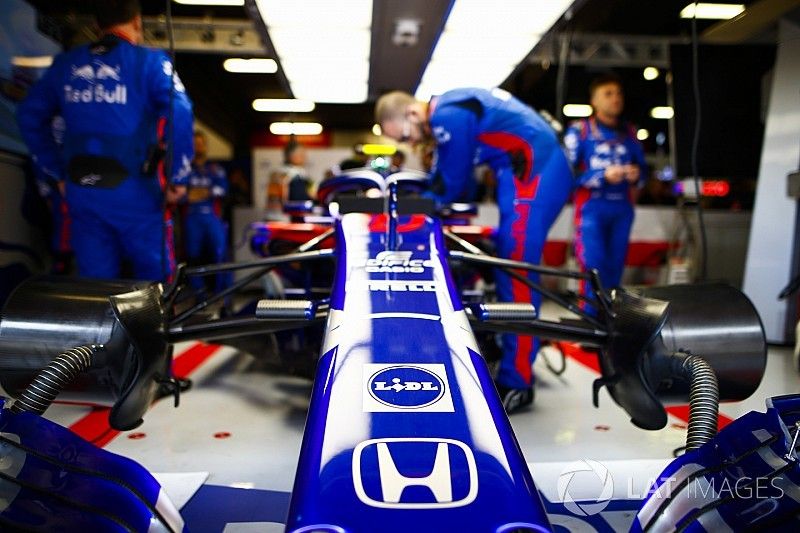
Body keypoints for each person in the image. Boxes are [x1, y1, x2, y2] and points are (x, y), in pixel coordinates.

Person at [375, 88, 573, 414]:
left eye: (407, 136)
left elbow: (451, 182)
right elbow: (444, 177)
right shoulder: (451, 110)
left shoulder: (446, 115)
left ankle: (518, 382)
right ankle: (512, 359)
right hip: (524, 169)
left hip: (536, 168)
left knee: (515, 267)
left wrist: (418, 204)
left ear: (412, 114)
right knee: (507, 261)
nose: (412, 144)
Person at [16, 0, 193, 281]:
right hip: (135, 190)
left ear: (96, 25)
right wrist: (178, 177)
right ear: (137, 22)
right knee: (158, 285)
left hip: (82, 190)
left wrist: (56, 172)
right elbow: (180, 111)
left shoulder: (66, 64)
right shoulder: (150, 61)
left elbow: (28, 116)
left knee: (95, 288)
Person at [563, 74, 646, 309]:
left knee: (614, 271)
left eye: (619, 93)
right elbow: (567, 176)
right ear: (594, 101)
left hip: (622, 209)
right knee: (593, 269)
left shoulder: (630, 133)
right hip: (591, 210)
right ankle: (589, 328)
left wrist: (636, 174)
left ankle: (609, 329)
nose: (616, 99)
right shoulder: (579, 131)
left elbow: (644, 172)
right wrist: (601, 176)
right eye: (608, 94)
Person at [184, 130, 230, 293]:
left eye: (201, 144)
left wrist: (199, 192)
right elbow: (182, 196)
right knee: (192, 255)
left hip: (212, 216)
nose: (198, 147)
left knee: (220, 253)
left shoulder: (215, 169)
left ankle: (222, 293)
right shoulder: (185, 169)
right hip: (191, 218)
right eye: (195, 144)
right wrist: (202, 192)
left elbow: (223, 190)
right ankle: (198, 292)